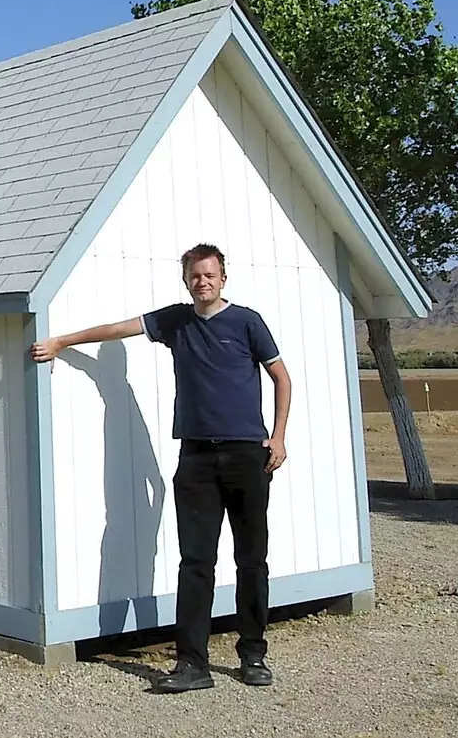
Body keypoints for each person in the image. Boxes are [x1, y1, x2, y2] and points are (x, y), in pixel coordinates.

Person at [30, 243, 292, 693]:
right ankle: (193, 665)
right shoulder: (175, 321)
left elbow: (281, 377)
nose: (202, 282)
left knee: (251, 560)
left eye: (209, 275)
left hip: (248, 454)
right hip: (195, 457)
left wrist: (279, 437)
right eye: (195, 275)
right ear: (186, 279)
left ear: (223, 278)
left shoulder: (247, 322)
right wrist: (61, 342)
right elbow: (117, 330)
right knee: (196, 562)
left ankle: (253, 655)